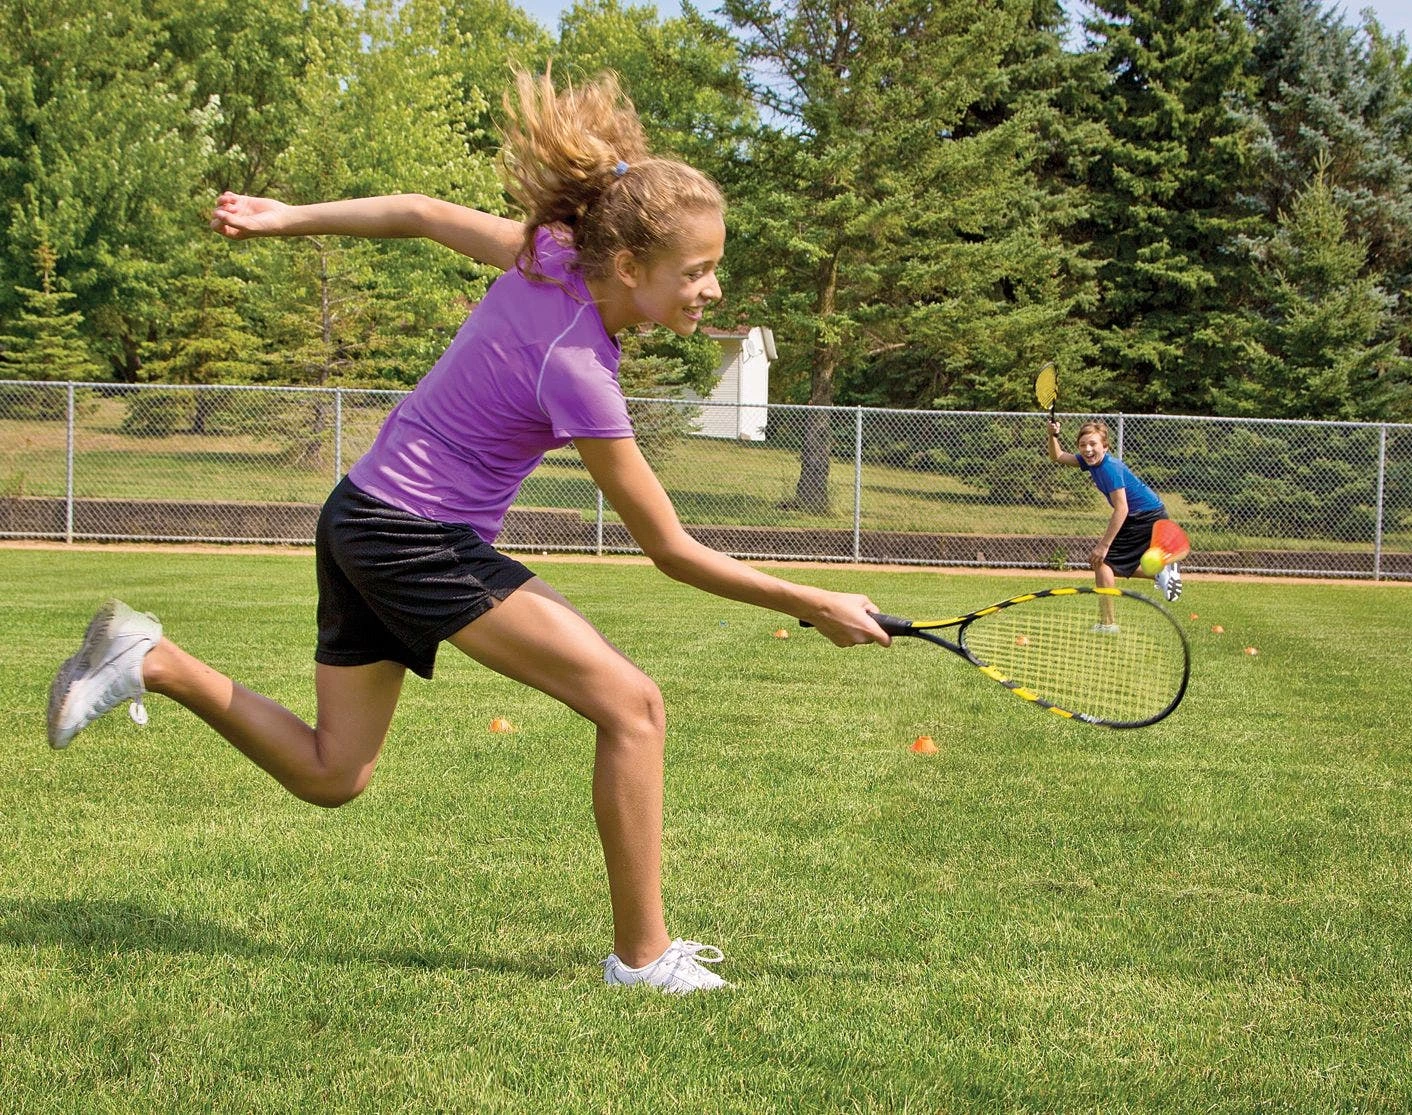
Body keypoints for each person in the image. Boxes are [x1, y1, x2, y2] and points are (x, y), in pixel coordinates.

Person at [46, 69, 889, 994]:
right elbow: (670, 550)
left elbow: (415, 210)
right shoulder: (579, 367)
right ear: (628, 269)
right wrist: (815, 600)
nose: (712, 288)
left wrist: (287, 216)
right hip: (412, 535)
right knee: (633, 705)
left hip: (359, 515)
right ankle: (644, 958)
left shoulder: (547, 258)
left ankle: (150, 659)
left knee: (335, 772)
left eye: (713, 266)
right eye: (695, 272)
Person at [1045, 418, 1182, 628]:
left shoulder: (1109, 468)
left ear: (1105, 447)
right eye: (1083, 445)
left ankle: (1108, 624)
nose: (1088, 449)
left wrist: (1104, 545)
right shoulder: (1091, 461)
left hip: (1144, 516)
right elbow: (1058, 456)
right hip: (1147, 515)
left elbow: (1122, 508)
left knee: (1103, 562)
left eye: (1093, 444)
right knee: (1109, 566)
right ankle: (1160, 573)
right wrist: (1053, 435)